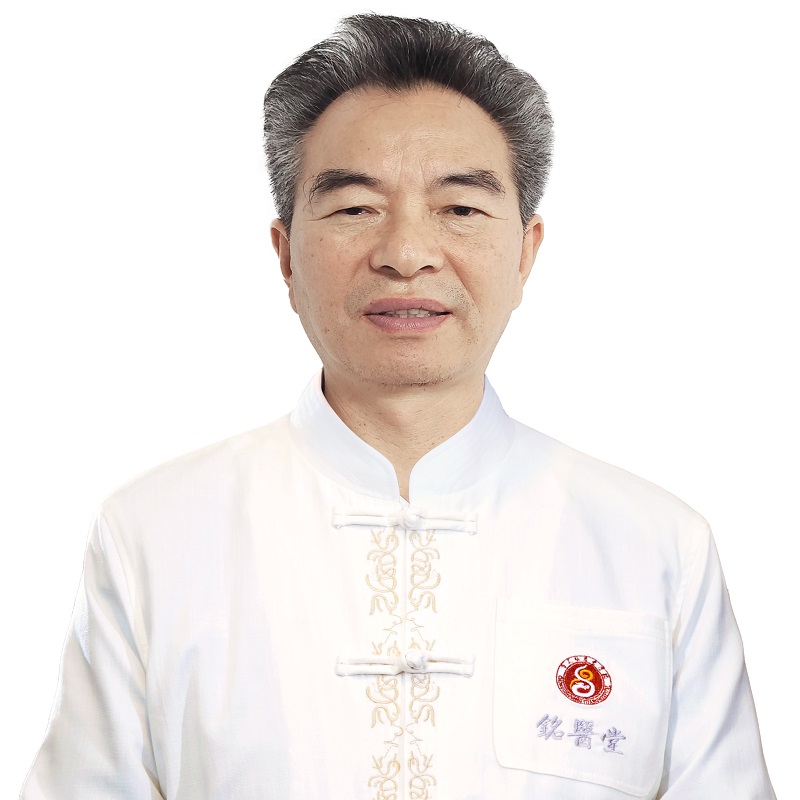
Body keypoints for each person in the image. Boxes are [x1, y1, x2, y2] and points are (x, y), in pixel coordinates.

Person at [21, 13, 774, 800]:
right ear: (285, 255)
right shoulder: (152, 534)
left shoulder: (657, 547)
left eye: (461, 208)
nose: (407, 253)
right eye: (355, 208)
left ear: (525, 252)